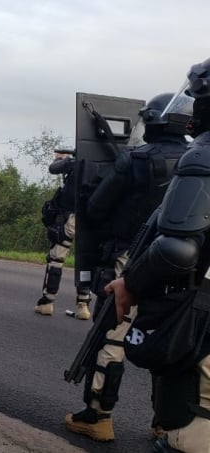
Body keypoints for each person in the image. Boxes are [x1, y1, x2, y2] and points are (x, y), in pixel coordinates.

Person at [65, 92, 192, 442]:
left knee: (113, 334)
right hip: (181, 263)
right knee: (172, 336)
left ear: (152, 121)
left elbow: (96, 208)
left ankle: (98, 416)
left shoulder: (135, 159)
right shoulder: (198, 159)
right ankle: (165, 424)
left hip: (131, 258)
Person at [107, 58, 210, 453]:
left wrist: (132, 283)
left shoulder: (202, 156)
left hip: (202, 318)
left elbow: (175, 250)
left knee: (192, 434)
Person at [35, 151, 92, 318]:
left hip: (68, 218)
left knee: (56, 259)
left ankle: (47, 302)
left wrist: (64, 159)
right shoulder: (105, 164)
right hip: (91, 219)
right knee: (85, 262)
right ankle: (83, 306)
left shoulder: (74, 163)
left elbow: (53, 168)